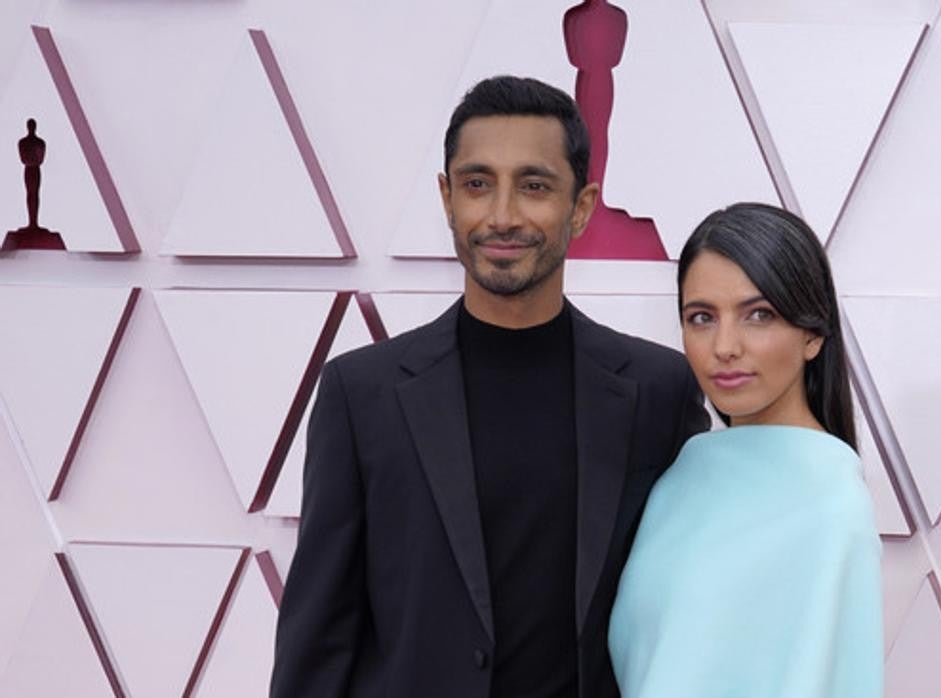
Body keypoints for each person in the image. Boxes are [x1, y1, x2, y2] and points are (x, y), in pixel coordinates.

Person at [270, 76, 709, 698]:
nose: (503, 216)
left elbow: (687, 612)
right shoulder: (360, 393)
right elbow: (319, 637)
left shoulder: (659, 390)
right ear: (447, 199)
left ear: (580, 207)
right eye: (478, 184)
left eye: (533, 186)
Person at [608, 202, 883, 697]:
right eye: (701, 317)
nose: (725, 346)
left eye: (759, 315)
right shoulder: (683, 474)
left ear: (813, 334)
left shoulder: (831, 506)